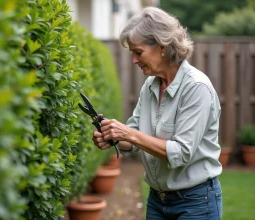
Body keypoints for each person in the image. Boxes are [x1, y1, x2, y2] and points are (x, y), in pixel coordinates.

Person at [92, 6, 222, 220]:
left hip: (196, 203)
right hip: (157, 201)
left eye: (138, 52)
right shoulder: (151, 86)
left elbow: (180, 153)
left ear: (162, 47)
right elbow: (133, 139)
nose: (134, 60)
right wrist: (113, 136)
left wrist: (128, 134)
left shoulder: (197, 88)